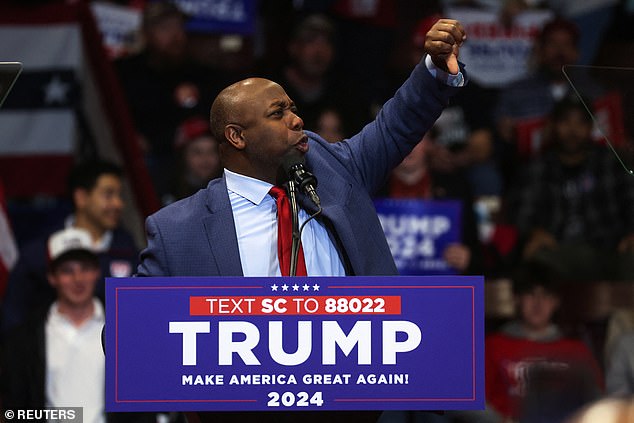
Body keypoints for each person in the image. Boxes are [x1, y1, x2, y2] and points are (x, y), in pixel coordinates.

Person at [136, 18, 466, 423]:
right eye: (278, 113)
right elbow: (129, 341)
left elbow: (396, 126)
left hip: (358, 410)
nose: (296, 119)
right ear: (237, 137)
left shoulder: (336, 170)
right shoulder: (178, 231)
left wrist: (432, 67)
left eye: (293, 108)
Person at [1, 160, 138, 335]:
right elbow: (15, 318)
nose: (118, 204)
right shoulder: (40, 253)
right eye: (108, 195)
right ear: (81, 197)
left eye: (120, 195)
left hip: (112, 357)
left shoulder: (132, 254)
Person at [508, 94, 634, 283]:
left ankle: (626, 314)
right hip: (558, 250)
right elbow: (521, 215)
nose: (573, 130)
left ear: (591, 127)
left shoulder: (611, 161)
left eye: (580, 123)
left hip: (608, 248)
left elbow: (631, 200)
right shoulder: (538, 167)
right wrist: (534, 232)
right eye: (565, 122)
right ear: (553, 127)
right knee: (535, 257)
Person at [114, 0, 227, 199]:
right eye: (165, 28)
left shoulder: (202, 74)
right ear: (147, 33)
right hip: (151, 163)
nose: (176, 36)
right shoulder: (127, 74)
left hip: (196, 165)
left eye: (179, 27)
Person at [0, 227, 106, 422]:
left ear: (97, 272)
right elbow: (14, 409)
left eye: (85, 268)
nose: (78, 279)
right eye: (67, 271)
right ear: (52, 277)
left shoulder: (124, 328)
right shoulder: (24, 339)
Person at [485, 262, 604, 422]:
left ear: (556, 302)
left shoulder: (577, 350)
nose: (538, 303)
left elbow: (598, 402)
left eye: (546, 295)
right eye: (530, 294)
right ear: (517, 298)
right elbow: (474, 402)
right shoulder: (492, 346)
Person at [162, 115, 222, 205]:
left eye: (212, 152)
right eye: (197, 152)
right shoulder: (168, 191)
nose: (205, 159)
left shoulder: (227, 188)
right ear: (183, 156)